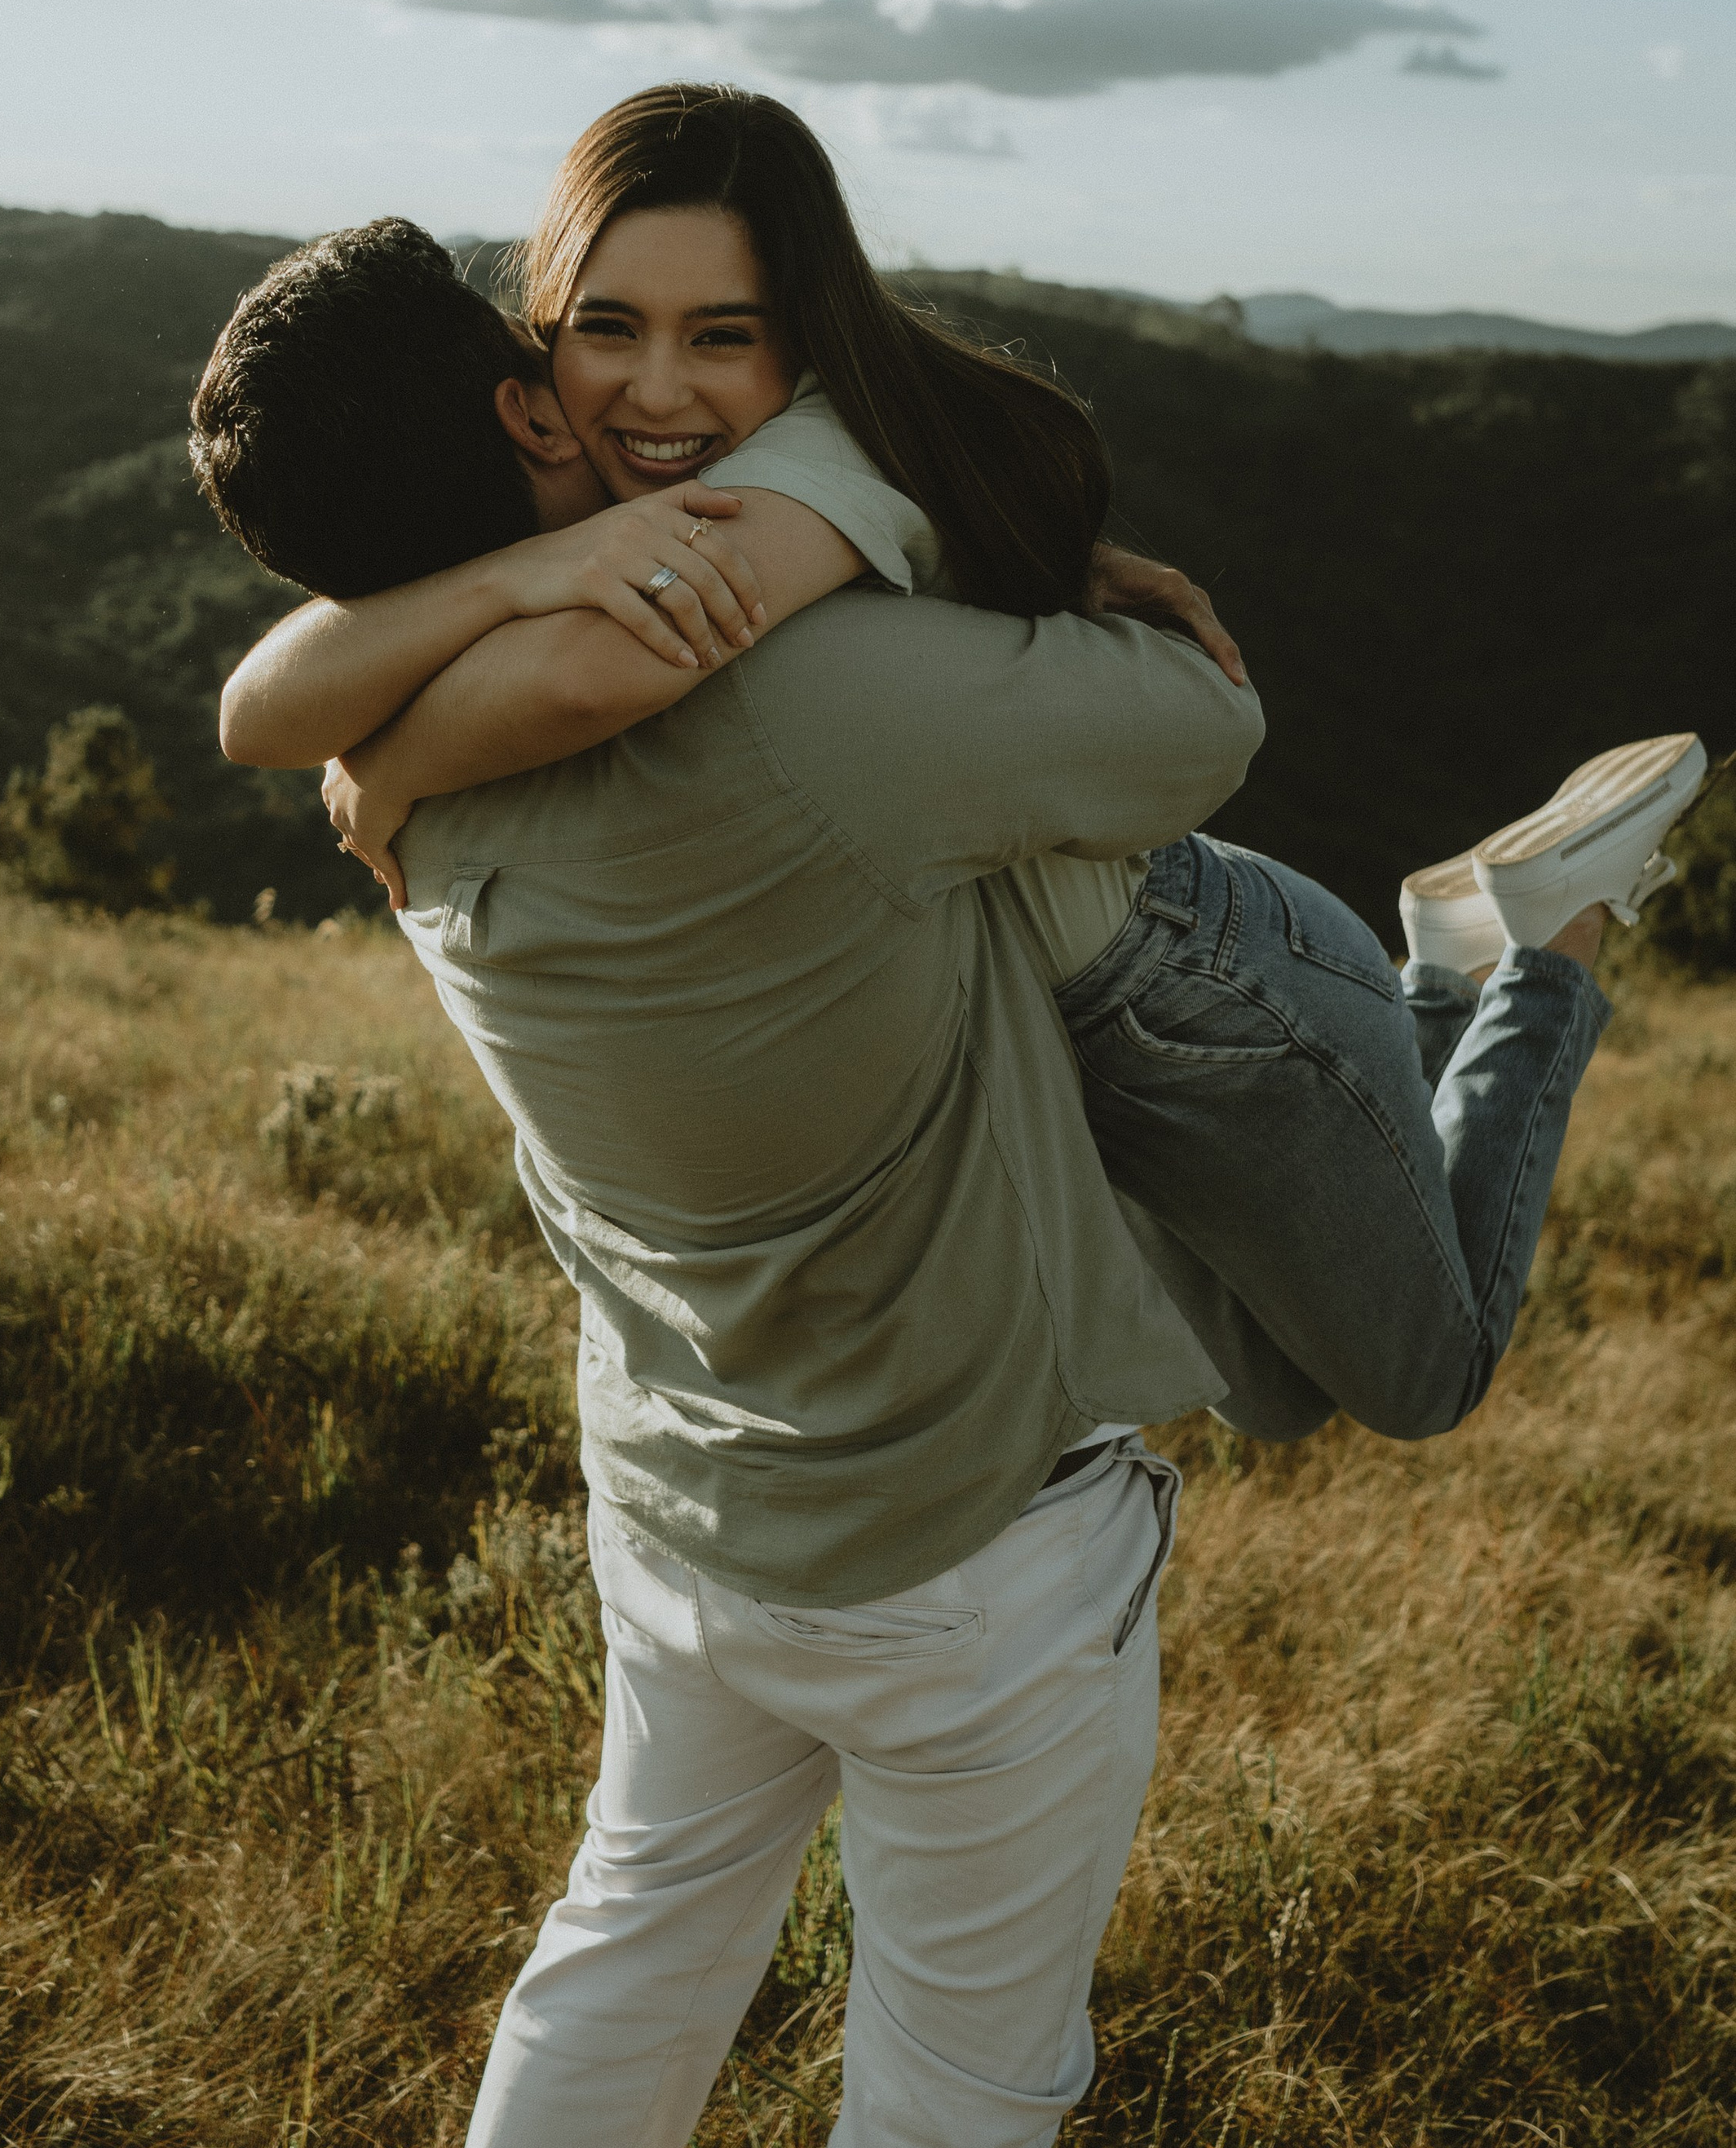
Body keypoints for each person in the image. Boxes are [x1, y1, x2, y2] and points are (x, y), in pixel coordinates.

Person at [192, 95, 1701, 2148]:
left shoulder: (388, 786)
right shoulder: (819, 696)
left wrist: (507, 594)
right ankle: (1508, 969)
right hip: (968, 1557)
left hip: (686, 1515)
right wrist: (873, 540)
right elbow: (1198, 718)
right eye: (597, 341)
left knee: (613, 1969)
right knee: (952, 2110)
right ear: (525, 392)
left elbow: (307, 686)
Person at [197, 92, 1702, 1449]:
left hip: (1186, 972)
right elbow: (257, 704)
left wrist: (385, 758)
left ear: (804, 334)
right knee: (1281, 1392)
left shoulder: (783, 475)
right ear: (540, 347)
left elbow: (607, 671)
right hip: (1006, 993)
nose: (657, 392)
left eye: (723, 333)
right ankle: (1448, 950)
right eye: (608, 328)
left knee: (1422, 1380)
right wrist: (497, 601)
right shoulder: (585, 534)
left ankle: (1536, 950)